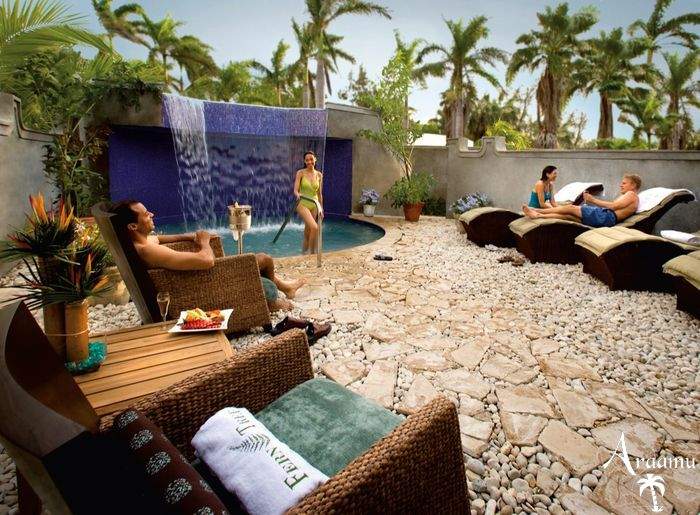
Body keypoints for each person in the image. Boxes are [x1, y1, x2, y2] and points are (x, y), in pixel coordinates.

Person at [110, 200, 305, 311]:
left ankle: (285, 288)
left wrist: (189, 236)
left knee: (259, 261)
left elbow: (159, 239)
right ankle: (271, 303)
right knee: (265, 259)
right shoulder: (148, 250)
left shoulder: (142, 243)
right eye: (146, 214)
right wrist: (203, 242)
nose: (151, 214)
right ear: (133, 226)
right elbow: (207, 261)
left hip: (198, 277)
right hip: (205, 282)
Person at [522, 173, 641, 227]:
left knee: (570, 208)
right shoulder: (631, 197)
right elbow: (615, 207)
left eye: (624, 183)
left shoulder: (631, 195)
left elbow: (614, 206)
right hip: (606, 218)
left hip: (606, 217)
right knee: (567, 216)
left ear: (633, 185)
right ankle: (538, 215)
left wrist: (592, 200)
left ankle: (536, 211)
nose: (621, 185)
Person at [293, 150, 324, 254]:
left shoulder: (319, 175)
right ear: (304, 161)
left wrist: (321, 208)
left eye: (311, 159)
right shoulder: (300, 173)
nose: (309, 162)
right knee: (315, 228)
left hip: (314, 204)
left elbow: (319, 194)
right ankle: (311, 254)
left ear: (315, 159)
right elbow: (295, 190)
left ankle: (303, 253)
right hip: (303, 203)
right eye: (307, 160)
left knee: (308, 230)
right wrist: (298, 194)